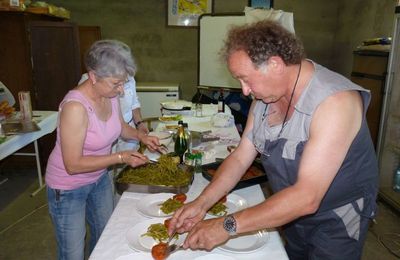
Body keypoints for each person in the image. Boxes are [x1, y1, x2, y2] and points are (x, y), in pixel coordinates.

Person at [169, 20, 378, 259]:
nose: (244, 91)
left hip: (337, 218)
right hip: (289, 209)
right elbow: (240, 158)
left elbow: (307, 197)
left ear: (275, 64)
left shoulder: (335, 102)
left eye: (246, 79)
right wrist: (202, 203)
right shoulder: (265, 98)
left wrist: (226, 225)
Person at [45, 39, 161, 260]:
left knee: (105, 238)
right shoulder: (75, 107)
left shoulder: (110, 96)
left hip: (98, 180)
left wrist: (141, 136)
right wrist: (119, 157)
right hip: (68, 189)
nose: (120, 90)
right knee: (73, 253)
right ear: (93, 76)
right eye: (115, 83)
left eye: (122, 84)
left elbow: (120, 128)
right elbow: (73, 165)